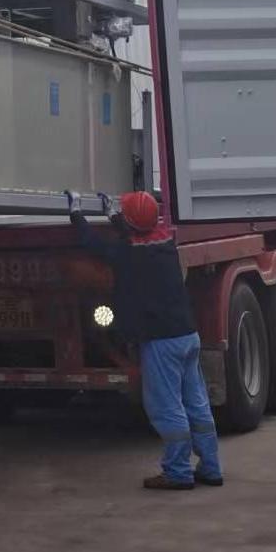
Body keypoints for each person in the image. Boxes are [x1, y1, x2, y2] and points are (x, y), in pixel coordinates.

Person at [70, 190, 222, 491]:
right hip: (187, 336)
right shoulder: (165, 242)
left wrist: (76, 213)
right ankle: (211, 467)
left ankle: (178, 472)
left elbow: (93, 244)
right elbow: (136, 231)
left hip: (162, 342)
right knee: (197, 404)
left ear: (130, 223)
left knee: (167, 407)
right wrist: (114, 215)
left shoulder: (127, 254)